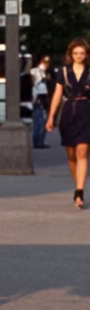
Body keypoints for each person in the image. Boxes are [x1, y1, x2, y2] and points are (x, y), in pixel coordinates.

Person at [46, 38, 90, 208]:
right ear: (71, 55)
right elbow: (57, 95)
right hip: (68, 113)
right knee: (71, 154)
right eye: (76, 53)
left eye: (82, 53)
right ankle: (77, 185)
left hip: (86, 112)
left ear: (86, 55)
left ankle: (79, 192)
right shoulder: (63, 72)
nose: (79, 56)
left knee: (82, 151)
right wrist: (51, 116)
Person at [30, 55, 51, 149]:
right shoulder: (35, 71)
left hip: (42, 98)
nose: (46, 65)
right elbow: (39, 79)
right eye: (44, 63)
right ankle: (38, 141)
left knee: (42, 120)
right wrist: (45, 76)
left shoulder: (42, 71)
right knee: (39, 121)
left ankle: (40, 141)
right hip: (38, 98)